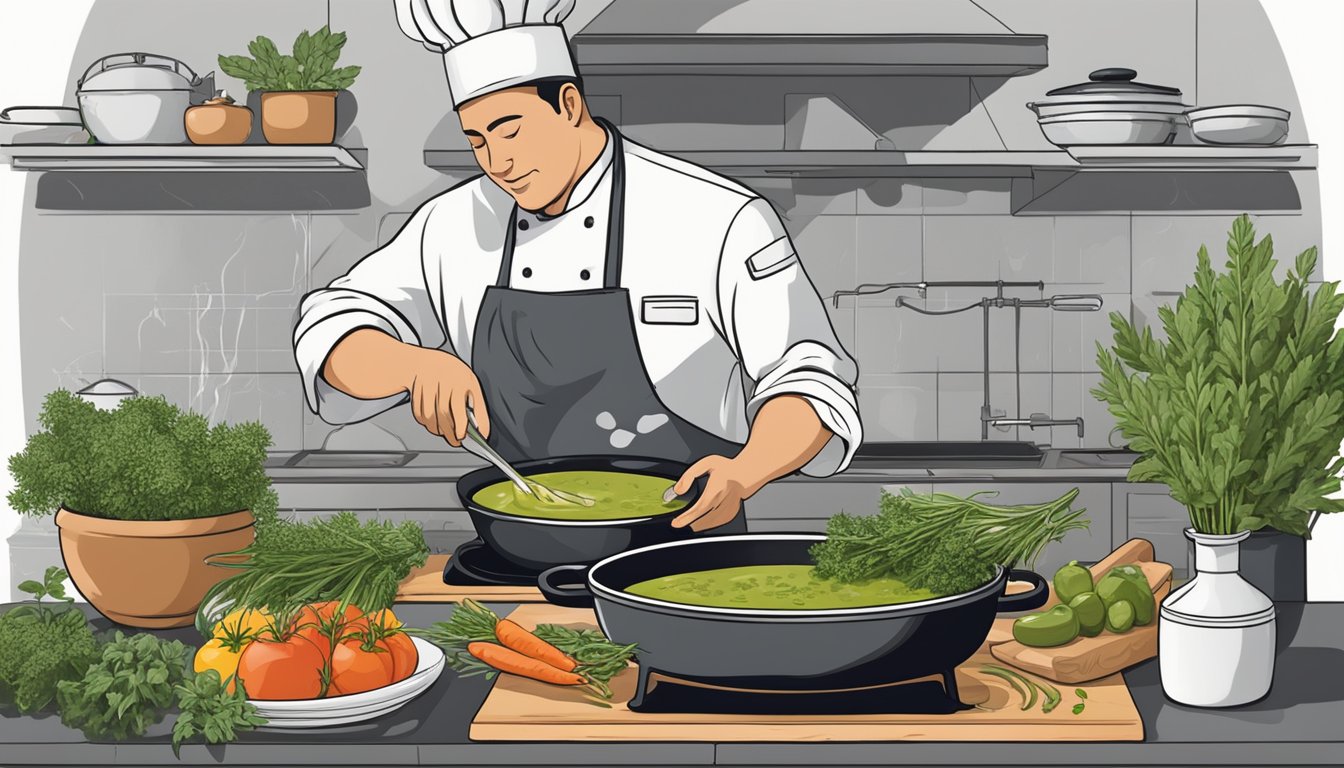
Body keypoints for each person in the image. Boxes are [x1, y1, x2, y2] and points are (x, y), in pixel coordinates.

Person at [293, 0, 861, 532]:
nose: (499, 164)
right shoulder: (450, 223)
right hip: (523, 534)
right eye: (477, 142)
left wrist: (748, 469)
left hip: (684, 543)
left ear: (569, 104)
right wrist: (409, 364)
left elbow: (808, 378)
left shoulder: (719, 217)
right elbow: (333, 322)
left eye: (511, 131)